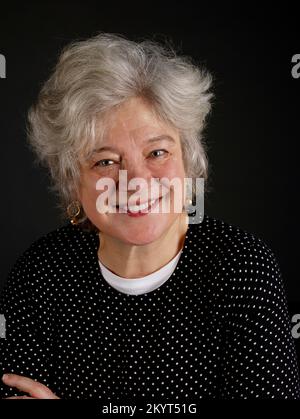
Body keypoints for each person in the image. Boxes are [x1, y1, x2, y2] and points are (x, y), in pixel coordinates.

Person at [0, 32, 299, 400]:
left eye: (157, 153)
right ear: (73, 181)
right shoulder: (40, 276)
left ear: (188, 161)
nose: (136, 181)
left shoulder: (242, 268)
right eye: (106, 161)